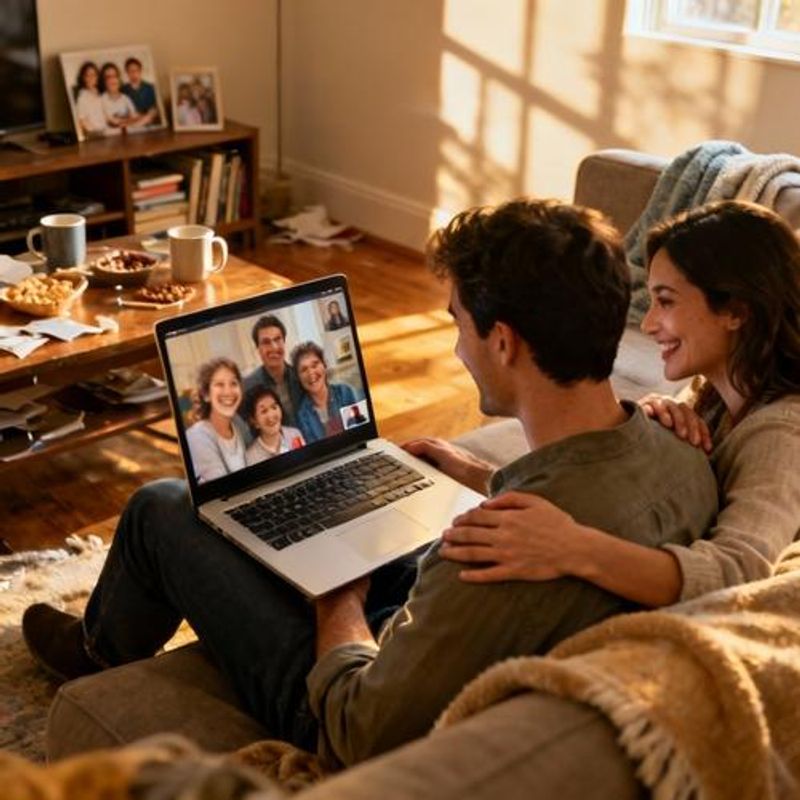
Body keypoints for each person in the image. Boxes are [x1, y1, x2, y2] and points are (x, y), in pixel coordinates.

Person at [22, 199, 717, 771]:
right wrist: (475, 473)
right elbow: (576, 485)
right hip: (456, 638)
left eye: (459, 327)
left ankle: (96, 653)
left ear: (503, 342)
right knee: (306, 525)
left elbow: (359, 731)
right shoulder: (683, 454)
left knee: (162, 507)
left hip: (339, 700)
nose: (456, 348)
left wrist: (337, 595)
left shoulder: (489, 545)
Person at [431, 200, 800, 606]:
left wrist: (571, 548)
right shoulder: (713, 395)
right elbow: (621, 491)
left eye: (666, 301)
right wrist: (475, 474)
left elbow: (737, 575)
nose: (647, 324)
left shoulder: (780, 435)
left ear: (734, 310)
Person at [185, 357, 249, 484]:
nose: (228, 391)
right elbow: (221, 487)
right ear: (206, 395)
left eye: (233, 383)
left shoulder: (238, 426)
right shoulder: (197, 436)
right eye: (219, 384)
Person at [242, 315, 304, 428]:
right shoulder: (248, 386)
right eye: (266, 342)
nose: (274, 347)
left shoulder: (301, 376)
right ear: (258, 349)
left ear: (284, 342)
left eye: (277, 339)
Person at [292, 341, 359, 442]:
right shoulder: (302, 415)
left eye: (315, 365)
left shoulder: (345, 392)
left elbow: (359, 430)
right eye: (304, 369)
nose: (311, 373)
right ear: (298, 377)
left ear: (324, 365)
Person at [244, 385, 305, 465]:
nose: (271, 415)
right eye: (264, 411)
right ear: (254, 421)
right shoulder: (251, 457)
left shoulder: (294, 434)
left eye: (274, 407)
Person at [99, 62, 141, 130]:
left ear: (119, 79)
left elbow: (135, 116)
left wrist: (127, 120)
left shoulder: (125, 98)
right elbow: (111, 121)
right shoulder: (102, 99)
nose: (112, 80)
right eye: (108, 77)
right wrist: (129, 120)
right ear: (103, 81)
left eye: (115, 76)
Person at [74, 61, 108, 137]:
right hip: (95, 134)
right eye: (87, 75)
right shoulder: (82, 97)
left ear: (97, 77)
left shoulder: (100, 93)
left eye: (93, 75)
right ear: (83, 78)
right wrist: (95, 132)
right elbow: (81, 120)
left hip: (106, 130)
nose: (91, 78)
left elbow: (106, 115)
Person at [122, 57, 159, 126]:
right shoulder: (123, 89)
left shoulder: (149, 87)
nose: (134, 74)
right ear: (127, 73)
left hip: (147, 120)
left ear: (140, 71)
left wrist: (145, 117)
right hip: (131, 120)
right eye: (131, 71)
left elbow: (153, 109)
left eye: (136, 70)